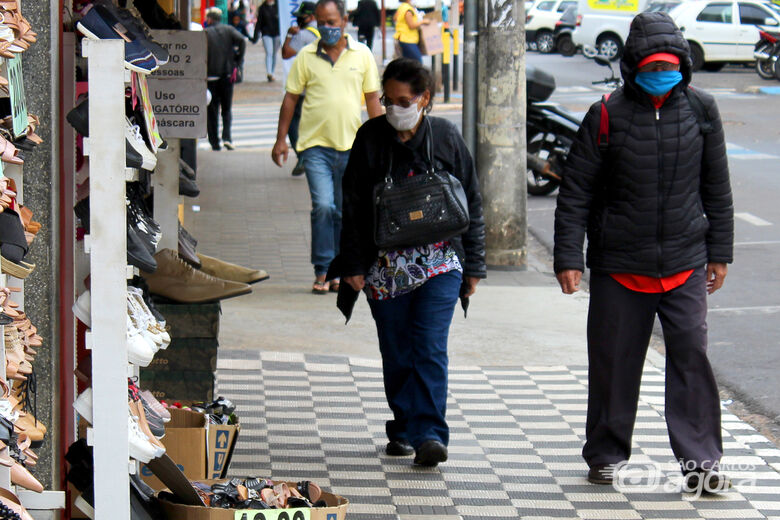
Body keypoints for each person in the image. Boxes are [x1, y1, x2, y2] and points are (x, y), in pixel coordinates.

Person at [554, 12, 734, 491]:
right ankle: (606, 454)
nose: (662, 74)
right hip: (619, 265)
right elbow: (576, 193)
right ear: (633, 68)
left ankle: (702, 464)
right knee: (614, 361)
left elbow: (717, 187)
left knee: (692, 358)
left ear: (683, 67)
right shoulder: (606, 114)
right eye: (653, 67)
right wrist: (569, 256)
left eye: (670, 66)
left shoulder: (702, 110)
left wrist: (720, 251)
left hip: (684, 262)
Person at [332, 58, 485, 467]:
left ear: (425, 99)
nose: (395, 108)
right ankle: (403, 425)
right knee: (398, 352)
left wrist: (474, 267)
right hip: (385, 269)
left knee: (430, 347)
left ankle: (431, 433)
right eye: (388, 100)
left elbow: (472, 200)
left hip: (440, 262)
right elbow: (351, 207)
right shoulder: (370, 138)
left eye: (404, 100)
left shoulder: (447, 137)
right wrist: (352, 265)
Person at [271, 0, 382, 293]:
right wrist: (281, 139)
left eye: (332, 22)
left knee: (343, 211)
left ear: (344, 20)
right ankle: (323, 268)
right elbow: (291, 98)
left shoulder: (362, 55)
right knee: (323, 206)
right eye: (322, 22)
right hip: (314, 146)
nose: (327, 28)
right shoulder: (306, 57)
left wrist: (382, 140)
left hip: (352, 147)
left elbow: (372, 99)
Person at [281, 1, 320, 177]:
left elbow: (286, 53)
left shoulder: (303, 35)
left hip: (304, 88)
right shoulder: (327, 33)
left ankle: (303, 156)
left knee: (292, 122)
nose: (299, 21)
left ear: (311, 17)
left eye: (301, 18)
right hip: (322, 87)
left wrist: (289, 35)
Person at [205, 7, 246, 151]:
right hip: (227, 75)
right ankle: (227, 137)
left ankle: (214, 142)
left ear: (210, 19)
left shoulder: (206, 33)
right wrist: (237, 60)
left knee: (212, 110)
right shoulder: (229, 30)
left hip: (211, 76)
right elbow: (242, 40)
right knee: (227, 109)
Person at [253, 0, 281, 81]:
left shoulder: (278, 6)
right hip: (266, 33)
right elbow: (259, 22)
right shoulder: (262, 8)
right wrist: (256, 35)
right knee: (269, 52)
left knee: (274, 53)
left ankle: (272, 72)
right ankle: (269, 72)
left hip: (277, 33)